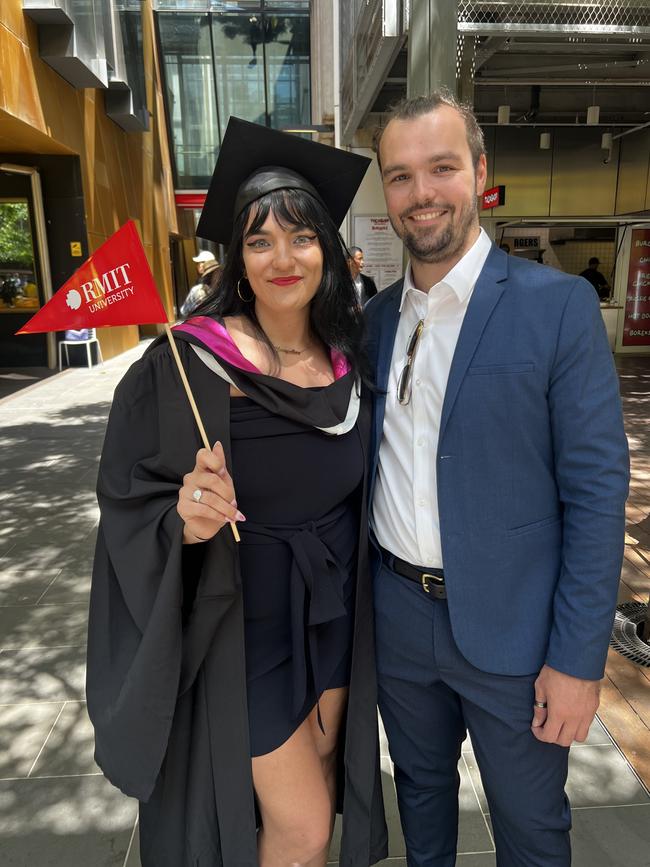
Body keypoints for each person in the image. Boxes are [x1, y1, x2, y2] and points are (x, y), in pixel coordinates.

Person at [87, 118, 388, 867]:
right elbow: (130, 496)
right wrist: (181, 520)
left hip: (334, 615)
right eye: (260, 240)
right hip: (245, 625)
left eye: (301, 236)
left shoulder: (349, 359)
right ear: (236, 258)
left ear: (328, 248)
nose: (283, 258)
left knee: (320, 784)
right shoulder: (188, 365)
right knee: (305, 826)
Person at [364, 91, 629, 866]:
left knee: (531, 828)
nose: (422, 193)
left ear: (480, 171)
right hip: (398, 620)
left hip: (517, 632)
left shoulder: (558, 308)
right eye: (402, 175)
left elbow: (595, 493)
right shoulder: (375, 322)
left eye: (442, 167)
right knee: (421, 804)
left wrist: (579, 661)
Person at [180, 250, 221, 317]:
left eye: (200, 263)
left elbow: (184, 311)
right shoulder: (224, 289)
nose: (198, 266)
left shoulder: (197, 290)